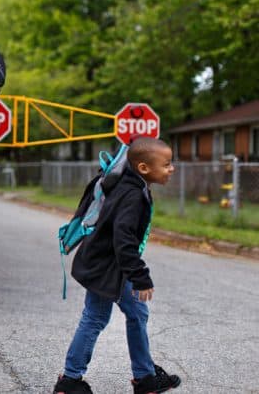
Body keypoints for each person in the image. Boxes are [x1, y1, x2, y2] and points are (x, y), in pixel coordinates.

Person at [53, 137, 181, 394]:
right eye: (166, 164)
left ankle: (144, 378)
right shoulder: (133, 194)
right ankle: (70, 382)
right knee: (96, 318)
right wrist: (141, 276)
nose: (172, 168)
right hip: (108, 268)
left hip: (108, 266)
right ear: (144, 168)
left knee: (134, 314)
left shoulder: (132, 185)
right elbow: (123, 240)